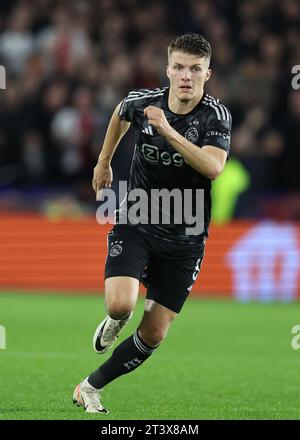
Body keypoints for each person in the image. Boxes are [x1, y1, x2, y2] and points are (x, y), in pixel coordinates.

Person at [73, 33, 232, 413]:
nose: (186, 76)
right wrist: (104, 161)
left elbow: (213, 167)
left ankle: (89, 386)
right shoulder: (144, 102)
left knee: (154, 333)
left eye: (195, 69)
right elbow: (118, 113)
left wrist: (167, 130)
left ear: (207, 74)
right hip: (139, 217)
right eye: (178, 67)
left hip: (187, 235)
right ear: (168, 69)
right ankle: (116, 319)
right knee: (119, 304)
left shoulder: (215, 116)